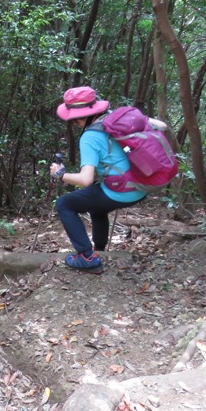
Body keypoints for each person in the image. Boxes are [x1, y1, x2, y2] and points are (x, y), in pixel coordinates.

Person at [50, 86, 147, 274]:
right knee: (96, 201)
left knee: (64, 204)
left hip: (122, 191)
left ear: (78, 116)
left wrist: (60, 174)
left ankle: (87, 258)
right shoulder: (117, 121)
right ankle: (99, 250)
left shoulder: (90, 136)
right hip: (142, 186)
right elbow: (162, 126)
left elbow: (85, 179)